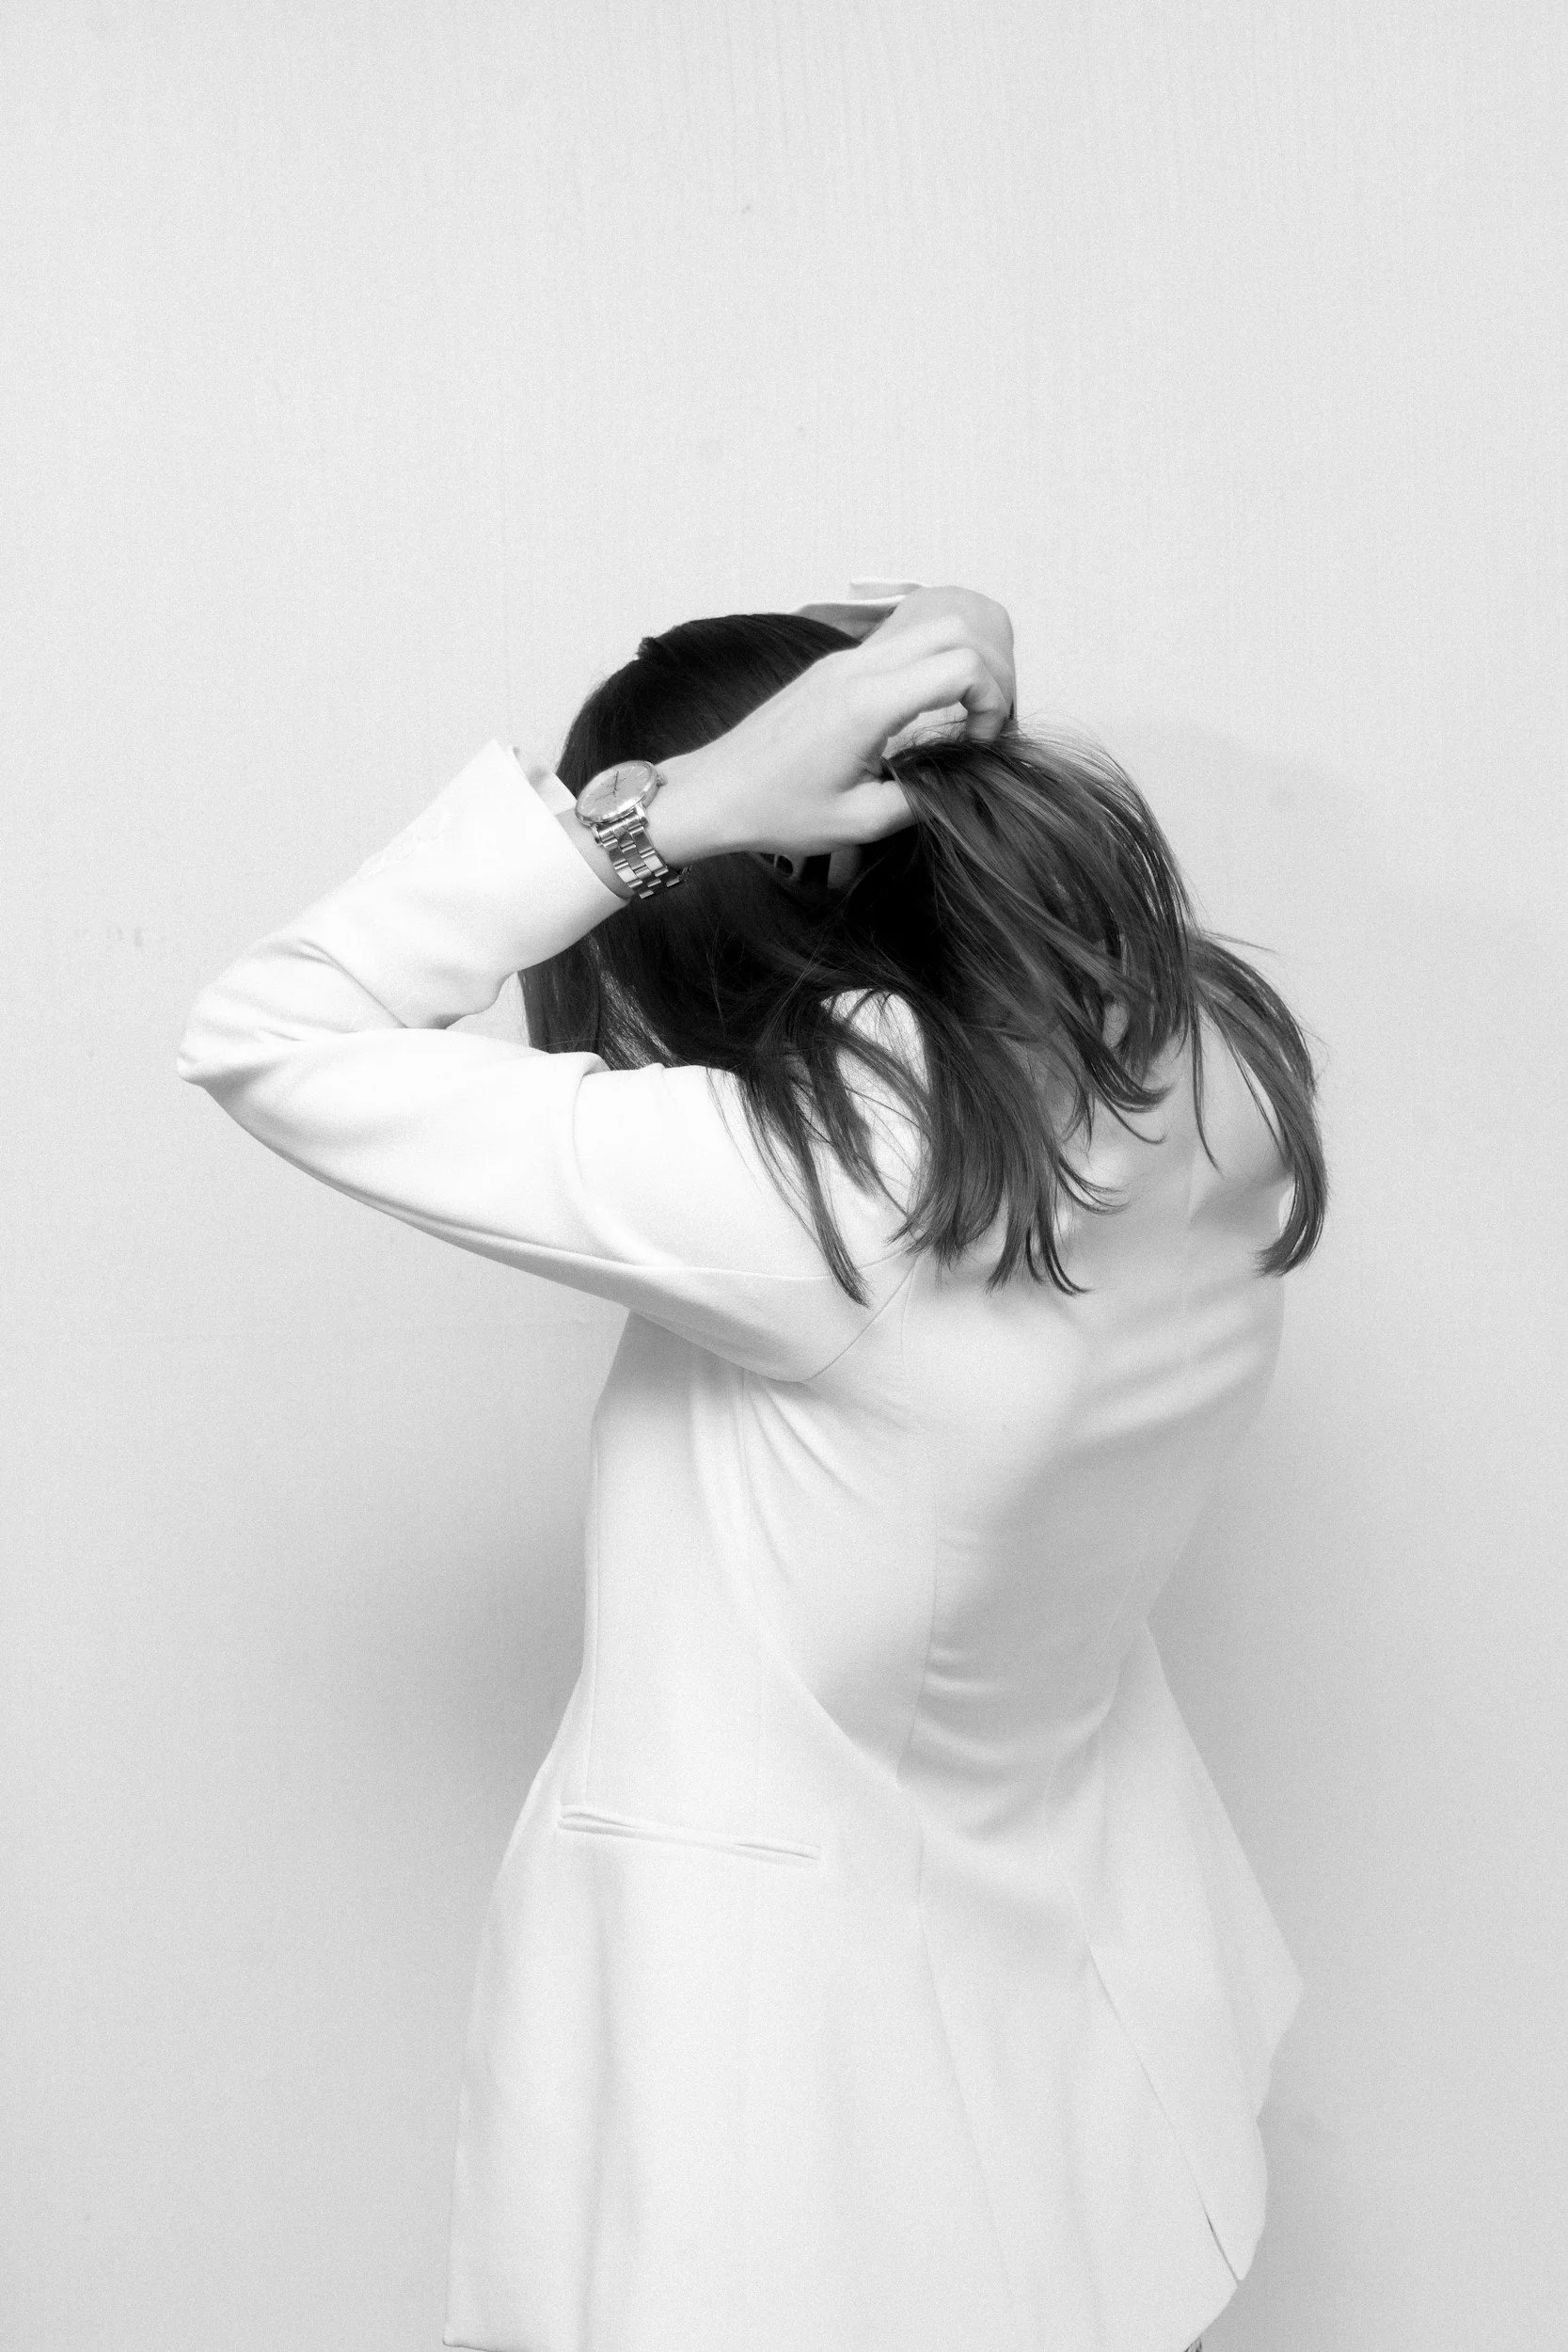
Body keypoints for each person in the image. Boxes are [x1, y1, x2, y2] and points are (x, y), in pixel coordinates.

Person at [177, 584, 1323, 2352]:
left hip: (773, 2093)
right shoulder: (1190, 1072)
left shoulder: (815, 1182)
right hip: (1058, 1998)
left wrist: (671, 805)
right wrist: (926, 648)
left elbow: (265, 1033)